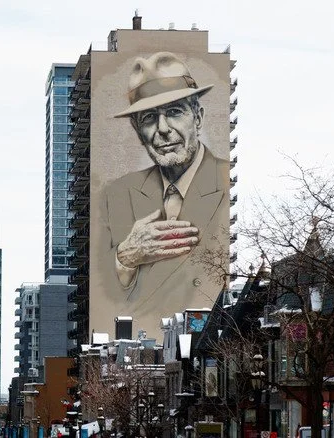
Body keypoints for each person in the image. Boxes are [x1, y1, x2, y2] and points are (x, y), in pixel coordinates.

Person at [98, 51, 230, 333]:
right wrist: (125, 257)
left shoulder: (226, 181)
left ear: (198, 117)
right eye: (148, 118)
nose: (163, 129)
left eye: (174, 112)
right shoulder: (117, 194)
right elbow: (104, 290)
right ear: (137, 131)